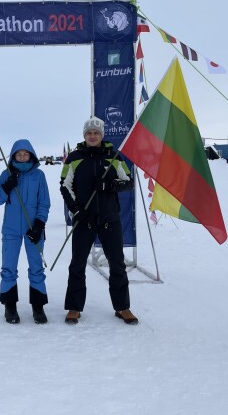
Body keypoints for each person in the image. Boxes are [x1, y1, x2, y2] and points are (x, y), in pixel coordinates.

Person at [59, 116, 139, 325]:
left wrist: (110, 185)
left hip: (109, 219)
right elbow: (64, 185)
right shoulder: (74, 157)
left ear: (101, 135)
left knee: (117, 264)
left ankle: (123, 307)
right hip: (84, 219)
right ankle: (74, 307)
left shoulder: (114, 156)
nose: (92, 136)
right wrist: (76, 210)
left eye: (96, 133)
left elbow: (128, 181)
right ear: (84, 135)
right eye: (89, 133)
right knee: (77, 264)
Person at [0, 139, 50, 324]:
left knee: (36, 267)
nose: (23, 157)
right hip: (11, 230)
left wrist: (39, 225)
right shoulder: (6, 174)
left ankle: (38, 306)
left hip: (34, 229)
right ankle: (10, 306)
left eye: (26, 154)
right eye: (19, 154)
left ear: (31, 155)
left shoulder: (39, 176)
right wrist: (6, 186)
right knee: (8, 268)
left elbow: (44, 203)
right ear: (13, 156)